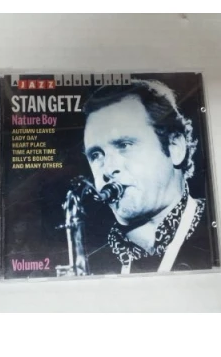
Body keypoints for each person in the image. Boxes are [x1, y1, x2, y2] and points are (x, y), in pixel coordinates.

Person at [83, 79, 212, 274]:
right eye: (96, 155)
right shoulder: (89, 262)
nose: (108, 169)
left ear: (175, 147)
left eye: (124, 145)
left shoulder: (219, 234)